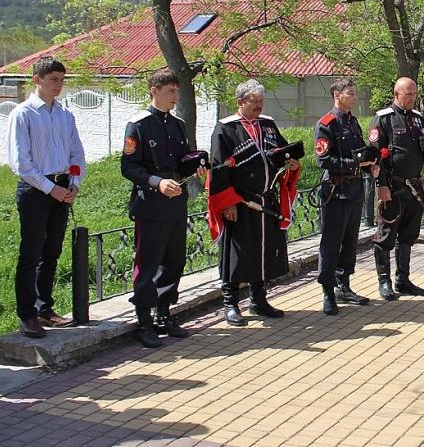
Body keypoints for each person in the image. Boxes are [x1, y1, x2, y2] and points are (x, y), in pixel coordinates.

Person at [121, 68, 205, 347]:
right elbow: (129, 167)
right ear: (154, 91)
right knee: (147, 264)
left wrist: (197, 161)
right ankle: (144, 320)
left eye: (177, 92)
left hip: (176, 203)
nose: (175, 96)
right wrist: (157, 182)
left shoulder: (177, 124)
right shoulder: (139, 124)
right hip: (151, 204)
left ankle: (164, 313)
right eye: (171, 91)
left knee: (174, 261)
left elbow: (180, 161)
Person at [208, 80, 301, 326]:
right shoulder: (225, 129)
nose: (258, 106)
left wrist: (290, 163)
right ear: (240, 102)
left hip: (266, 201)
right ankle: (230, 303)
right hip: (239, 203)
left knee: (264, 253)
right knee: (237, 255)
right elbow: (218, 169)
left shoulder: (268, 125)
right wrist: (226, 202)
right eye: (253, 102)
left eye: (261, 101)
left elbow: (282, 152)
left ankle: (258, 300)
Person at [8, 56, 86, 338]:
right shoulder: (24, 113)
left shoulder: (65, 115)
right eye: (53, 79)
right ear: (37, 80)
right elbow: (21, 162)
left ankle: (45, 308)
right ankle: (27, 314)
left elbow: (76, 154)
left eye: (62, 80)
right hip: (36, 189)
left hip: (62, 187)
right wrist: (49, 187)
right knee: (30, 252)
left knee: (52, 251)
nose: (59, 85)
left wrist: (74, 182)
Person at [367, 78, 424, 300]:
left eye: (414, 94)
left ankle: (403, 279)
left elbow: (421, 148)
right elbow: (375, 156)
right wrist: (381, 185)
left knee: (408, 235)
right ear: (396, 94)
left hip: (414, 186)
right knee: (385, 235)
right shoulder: (384, 119)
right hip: (392, 186)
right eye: (408, 94)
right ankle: (384, 282)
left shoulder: (418, 119)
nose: (412, 98)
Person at [314, 77, 377, 315]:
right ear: (337, 95)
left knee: (350, 242)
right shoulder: (326, 123)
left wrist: (371, 163)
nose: (354, 96)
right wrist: (354, 165)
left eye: (355, 92)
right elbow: (324, 159)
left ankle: (344, 285)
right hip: (335, 192)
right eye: (350, 92)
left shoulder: (352, 122)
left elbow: (361, 152)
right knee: (331, 244)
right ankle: (328, 292)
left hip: (354, 191)